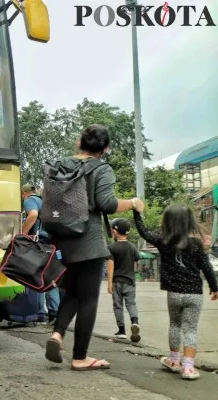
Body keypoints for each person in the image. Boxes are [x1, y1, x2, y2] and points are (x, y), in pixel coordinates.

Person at [44, 124, 139, 370]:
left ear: (79, 142)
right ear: (105, 149)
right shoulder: (101, 168)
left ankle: (57, 334)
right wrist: (132, 203)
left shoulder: (61, 165)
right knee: (88, 299)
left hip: (62, 239)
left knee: (73, 293)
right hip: (88, 241)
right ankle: (80, 357)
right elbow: (106, 203)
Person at [133, 202, 218, 380]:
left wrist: (137, 213)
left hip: (174, 294)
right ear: (190, 222)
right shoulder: (196, 244)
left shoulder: (164, 242)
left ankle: (173, 361)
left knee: (175, 325)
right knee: (191, 329)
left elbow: (144, 232)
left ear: (168, 221)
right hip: (194, 294)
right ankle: (188, 368)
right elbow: (207, 268)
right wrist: (214, 287)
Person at [21, 183, 60, 324]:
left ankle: (40, 313)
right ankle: (54, 312)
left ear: (24, 193)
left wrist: (23, 234)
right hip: (52, 243)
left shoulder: (30, 200)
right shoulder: (45, 202)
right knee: (50, 278)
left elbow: (33, 214)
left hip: (39, 244)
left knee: (36, 277)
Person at [106, 218, 141, 342]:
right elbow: (135, 264)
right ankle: (135, 322)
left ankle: (122, 331)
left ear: (115, 231)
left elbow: (110, 267)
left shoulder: (112, 248)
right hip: (130, 281)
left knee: (118, 306)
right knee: (131, 303)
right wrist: (131, 274)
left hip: (117, 281)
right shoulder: (132, 247)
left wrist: (109, 283)